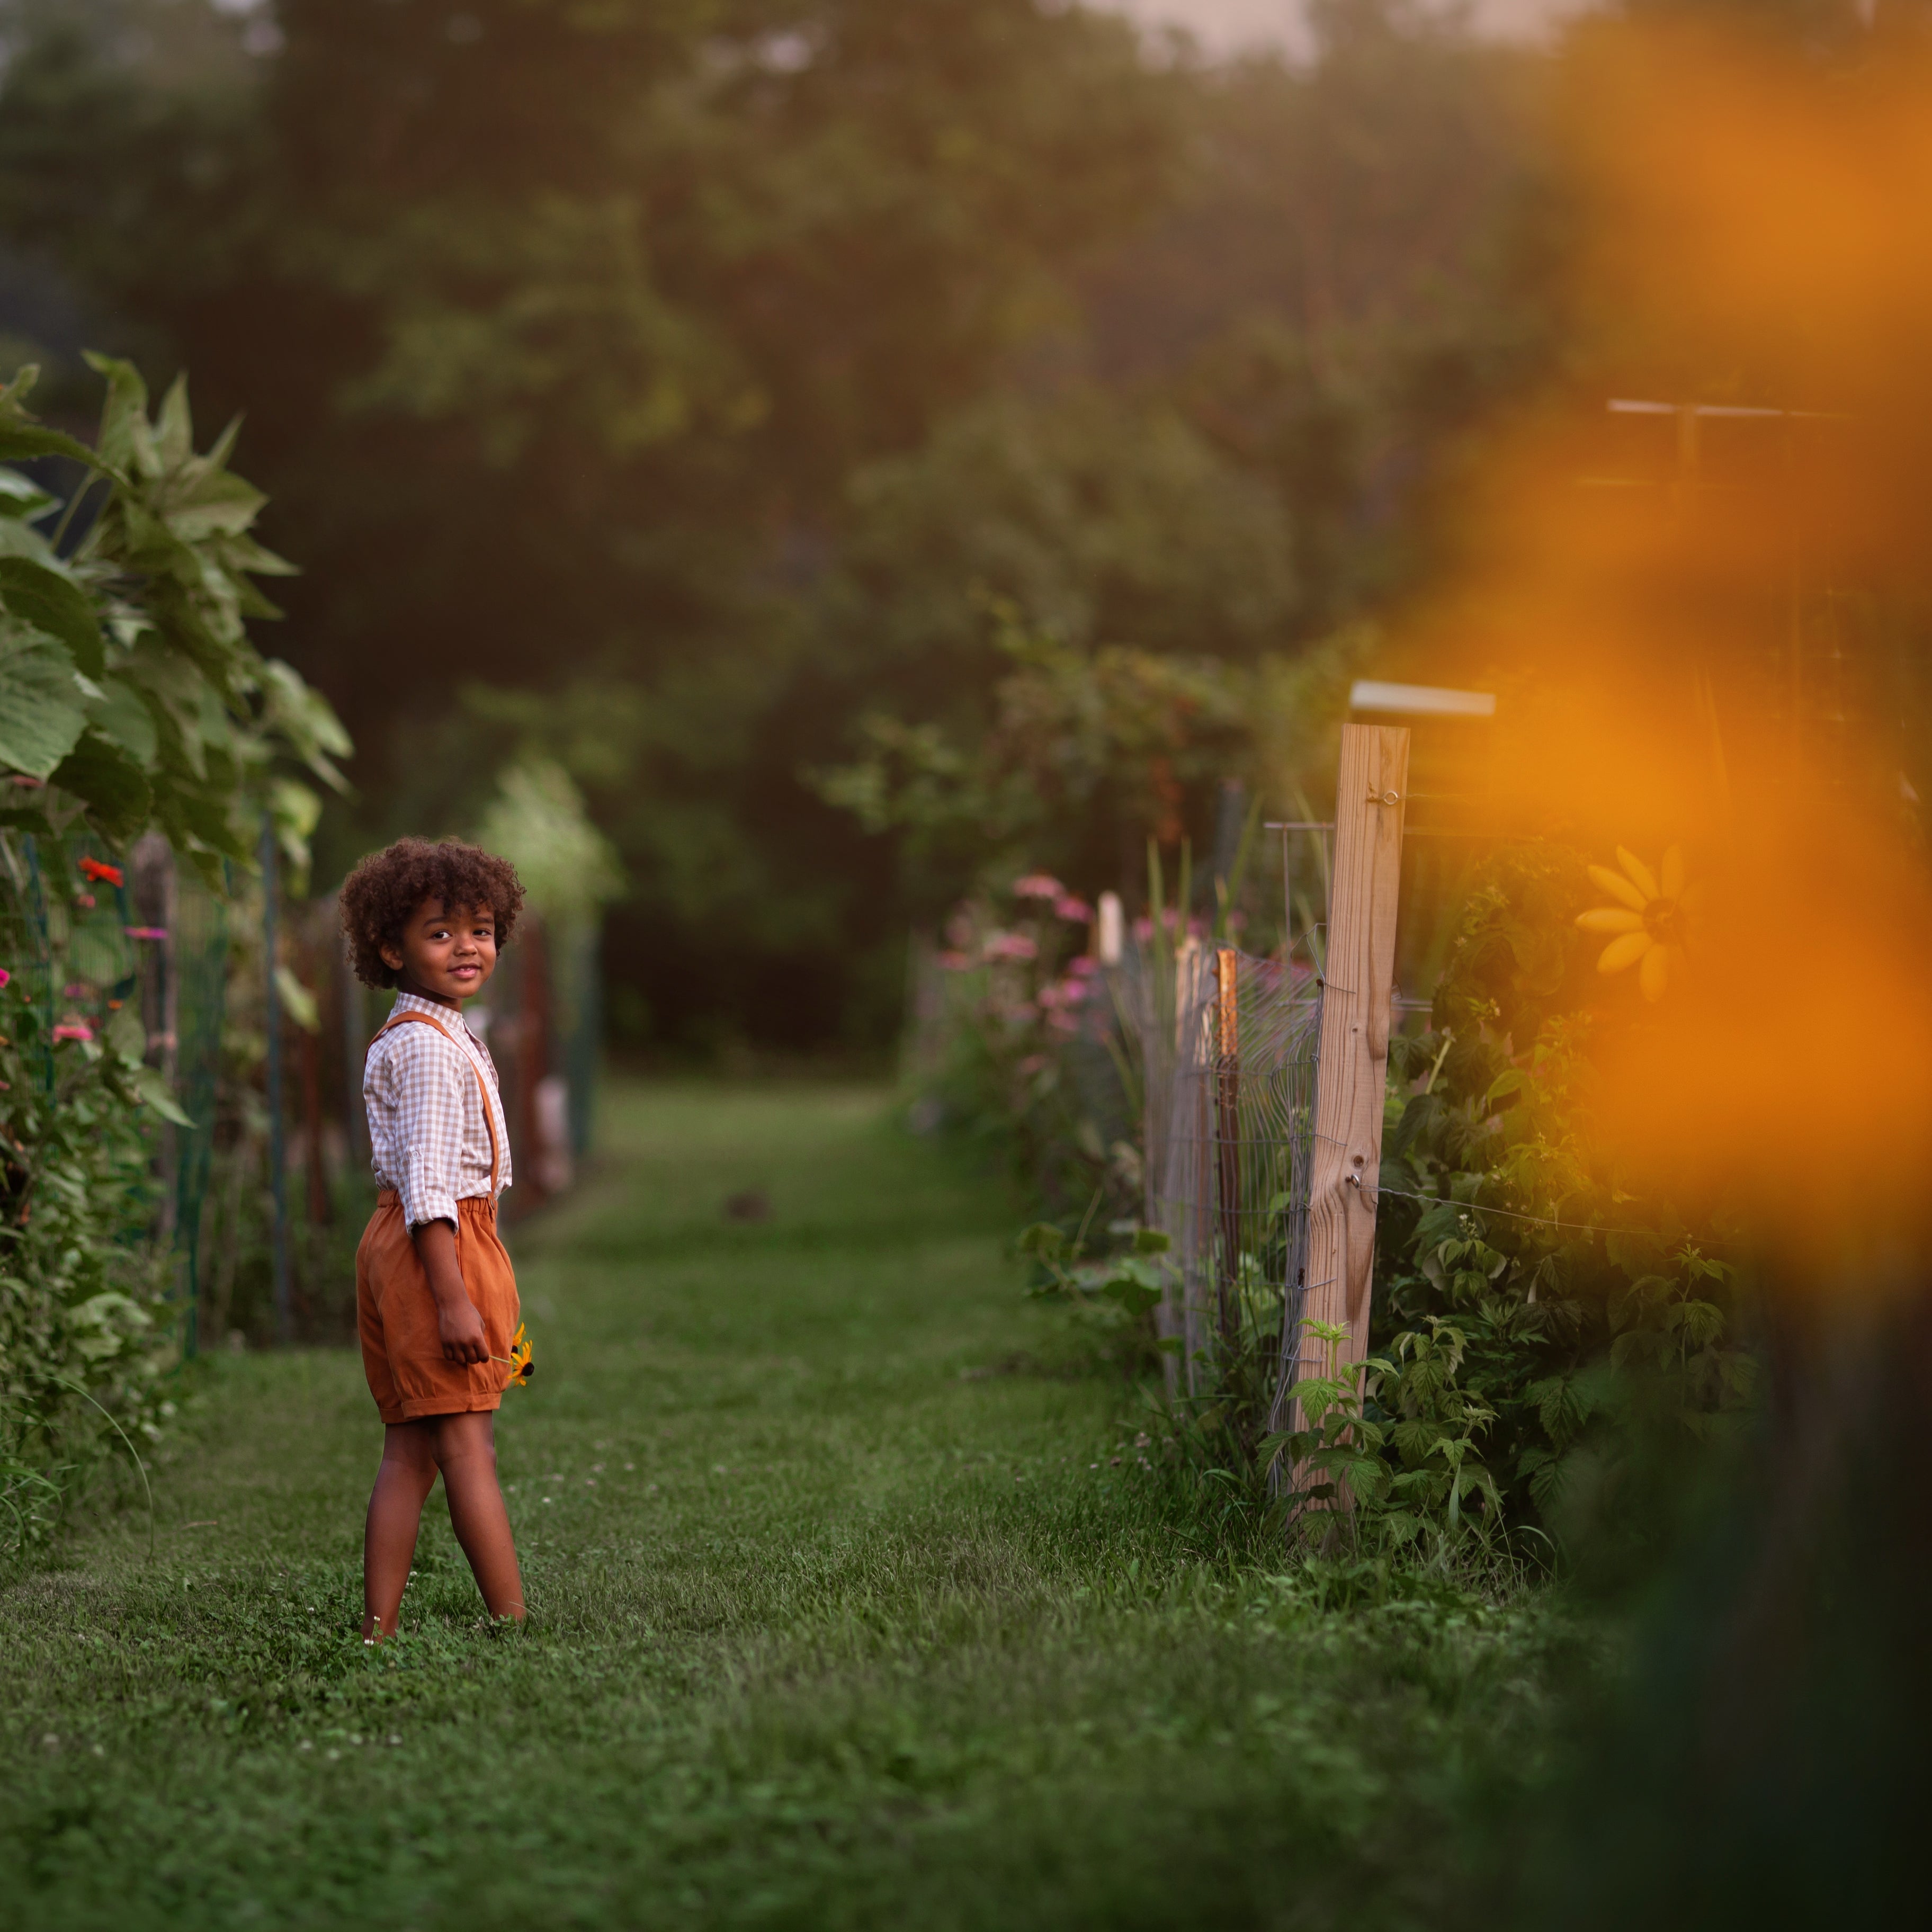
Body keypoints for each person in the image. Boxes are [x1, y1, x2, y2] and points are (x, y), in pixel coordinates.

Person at [339, 836, 529, 1641]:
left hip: (439, 1241)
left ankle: (378, 1631)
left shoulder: (439, 1028)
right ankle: (513, 1623)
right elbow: (426, 1184)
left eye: (481, 929)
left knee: (412, 1453)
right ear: (392, 947)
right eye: (440, 932)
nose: (467, 947)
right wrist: (454, 1299)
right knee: (466, 1449)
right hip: (436, 1250)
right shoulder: (421, 1045)